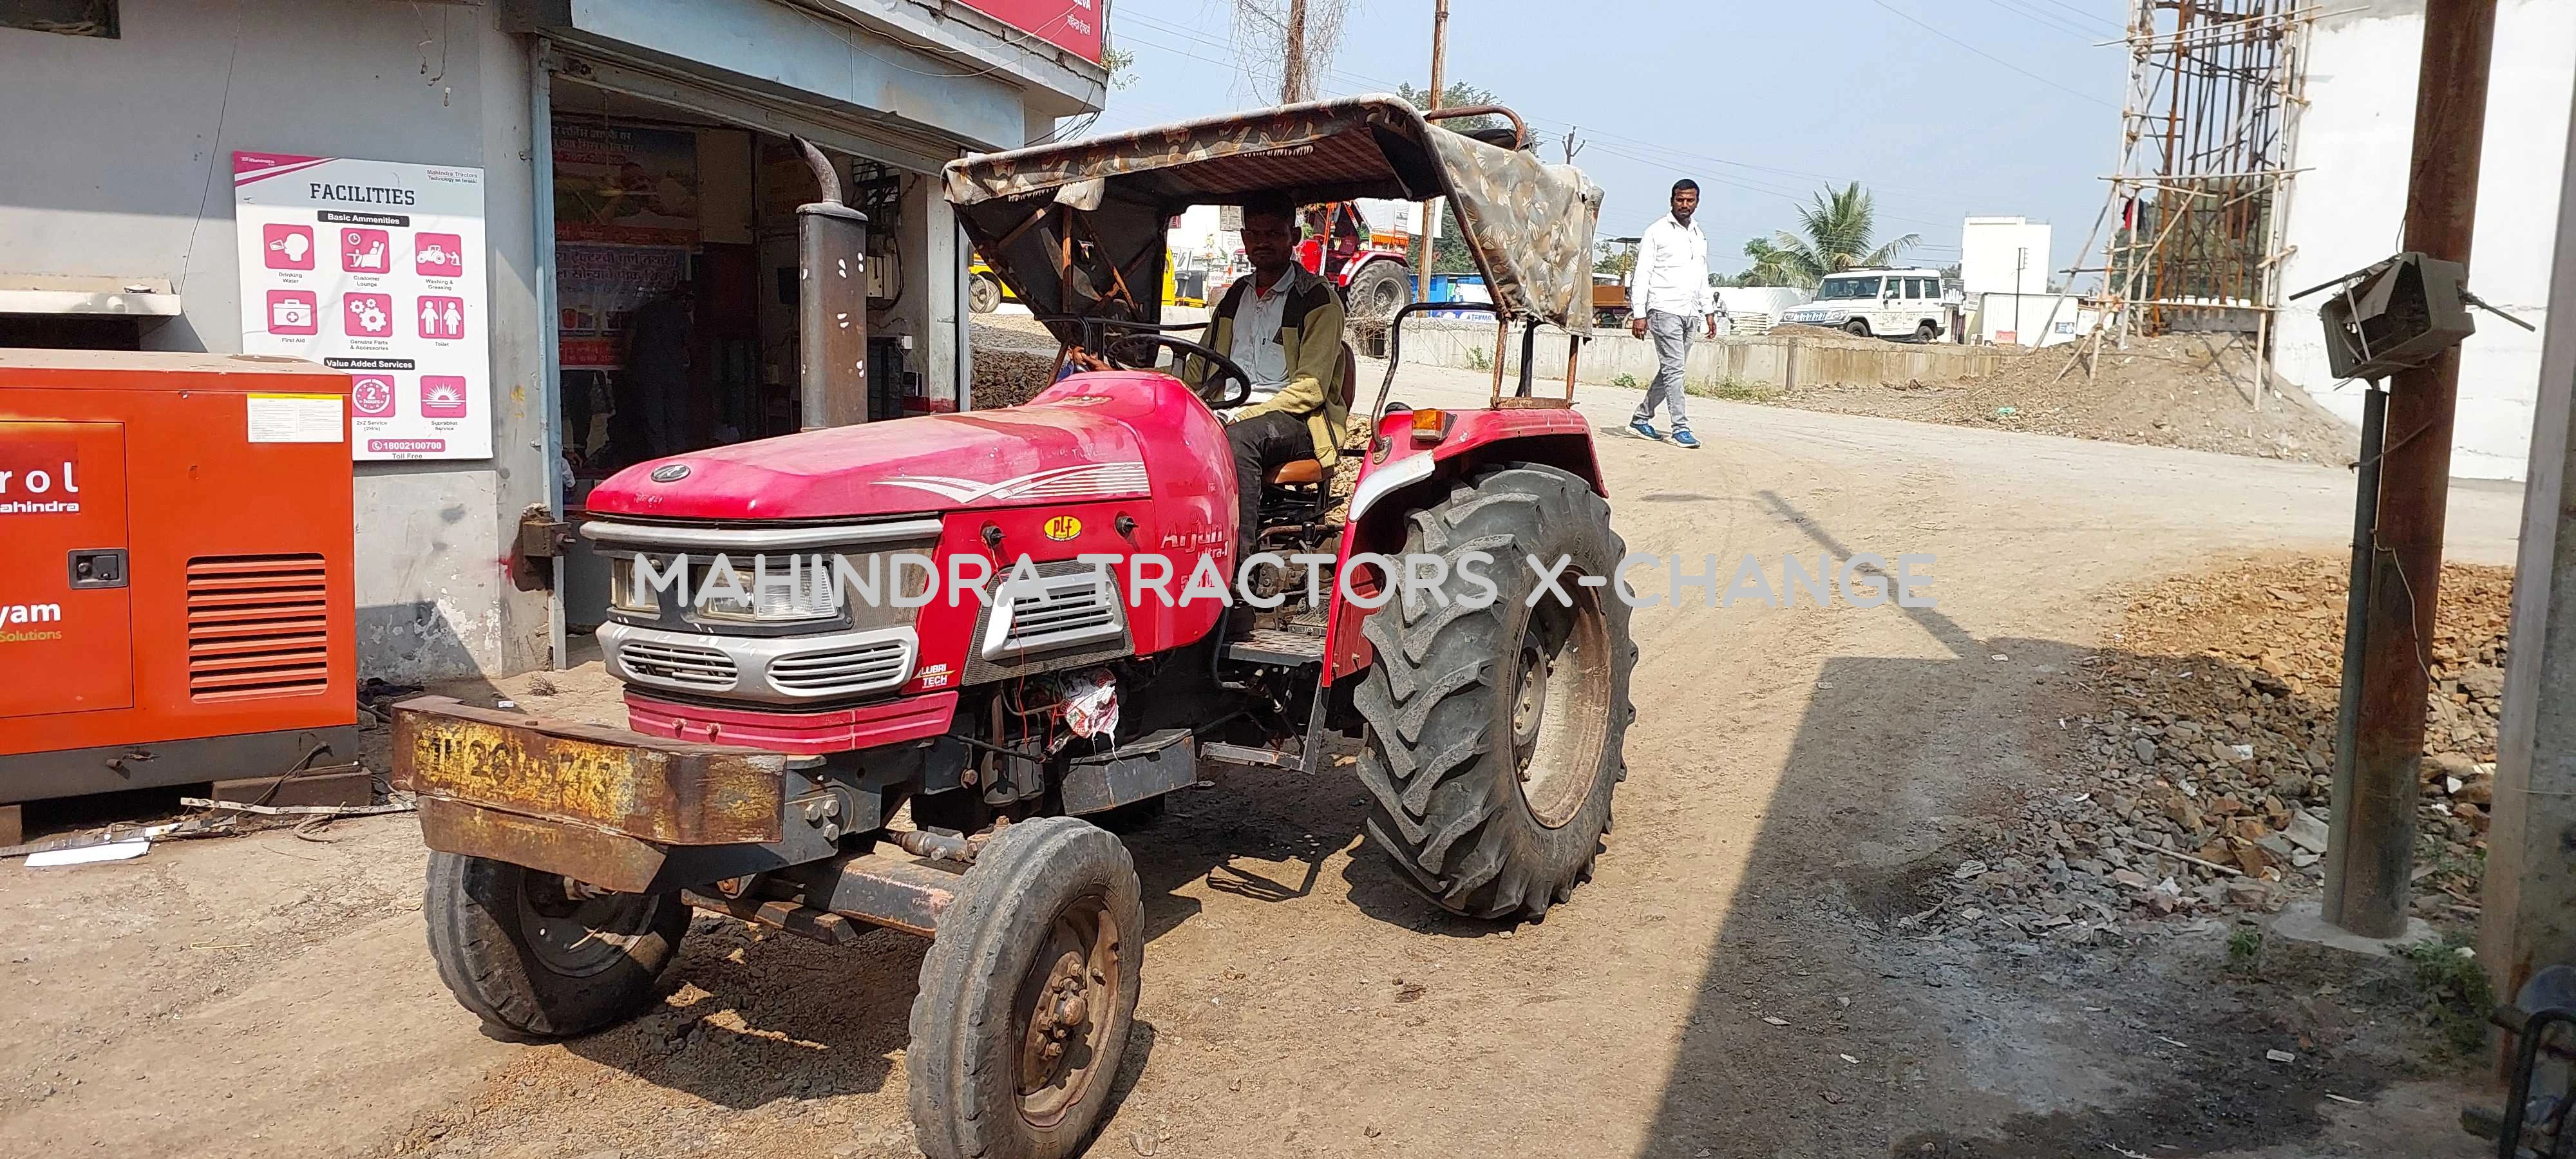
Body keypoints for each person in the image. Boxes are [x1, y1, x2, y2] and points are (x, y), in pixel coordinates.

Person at [1184, 194, 1349, 574]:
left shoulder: (1317, 299)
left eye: (1273, 234)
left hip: (1297, 421)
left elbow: (1310, 390)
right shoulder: (1234, 297)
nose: (1262, 242)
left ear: (1293, 236)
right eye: (1254, 234)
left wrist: (1244, 415)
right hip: (1233, 412)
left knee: (1239, 439)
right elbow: (1198, 369)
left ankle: (1238, 571)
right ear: (1243, 238)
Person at [1626, 179, 1718, 449]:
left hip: (1691, 312)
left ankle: (1641, 418)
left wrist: (1709, 311)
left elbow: (1702, 275)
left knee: (1671, 370)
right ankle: (1680, 428)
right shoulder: (1656, 232)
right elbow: (1641, 274)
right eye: (1680, 200)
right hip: (1664, 309)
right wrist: (1639, 313)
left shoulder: (1698, 235)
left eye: (1690, 200)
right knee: (1675, 371)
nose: (1685, 205)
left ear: (1697, 202)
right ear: (1672, 200)